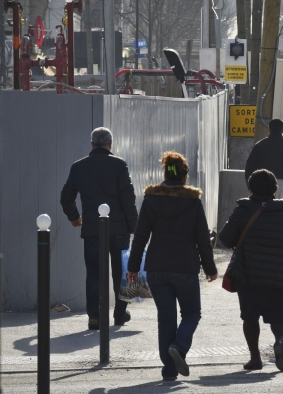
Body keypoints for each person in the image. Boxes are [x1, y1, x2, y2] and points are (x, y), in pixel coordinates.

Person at [127, 151, 218, 380]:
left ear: (165, 173)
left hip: (156, 267)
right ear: (184, 176)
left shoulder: (151, 198)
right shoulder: (192, 201)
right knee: (191, 313)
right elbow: (202, 240)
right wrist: (210, 268)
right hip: (185, 267)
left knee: (165, 318)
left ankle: (168, 370)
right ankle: (178, 347)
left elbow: (140, 237)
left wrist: (133, 267)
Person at [219, 169, 283, 371]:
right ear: (275, 189)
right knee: (279, 316)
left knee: (250, 317)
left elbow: (226, 238)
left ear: (249, 188)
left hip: (249, 274)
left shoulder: (243, 211)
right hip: (280, 275)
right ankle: (280, 341)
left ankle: (255, 358)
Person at [60, 127, 138, 330]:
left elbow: (66, 197)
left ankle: (94, 316)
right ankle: (120, 314)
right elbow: (128, 199)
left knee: (94, 273)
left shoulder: (79, 167)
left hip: (93, 230)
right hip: (119, 229)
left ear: (92, 144)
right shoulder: (119, 165)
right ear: (110, 144)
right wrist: (135, 227)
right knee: (120, 273)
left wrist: (75, 217)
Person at [245, 118, 283, 199]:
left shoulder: (260, 145)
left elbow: (250, 167)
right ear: (282, 130)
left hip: (265, 184)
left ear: (269, 129)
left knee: (267, 210)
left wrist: (250, 186)